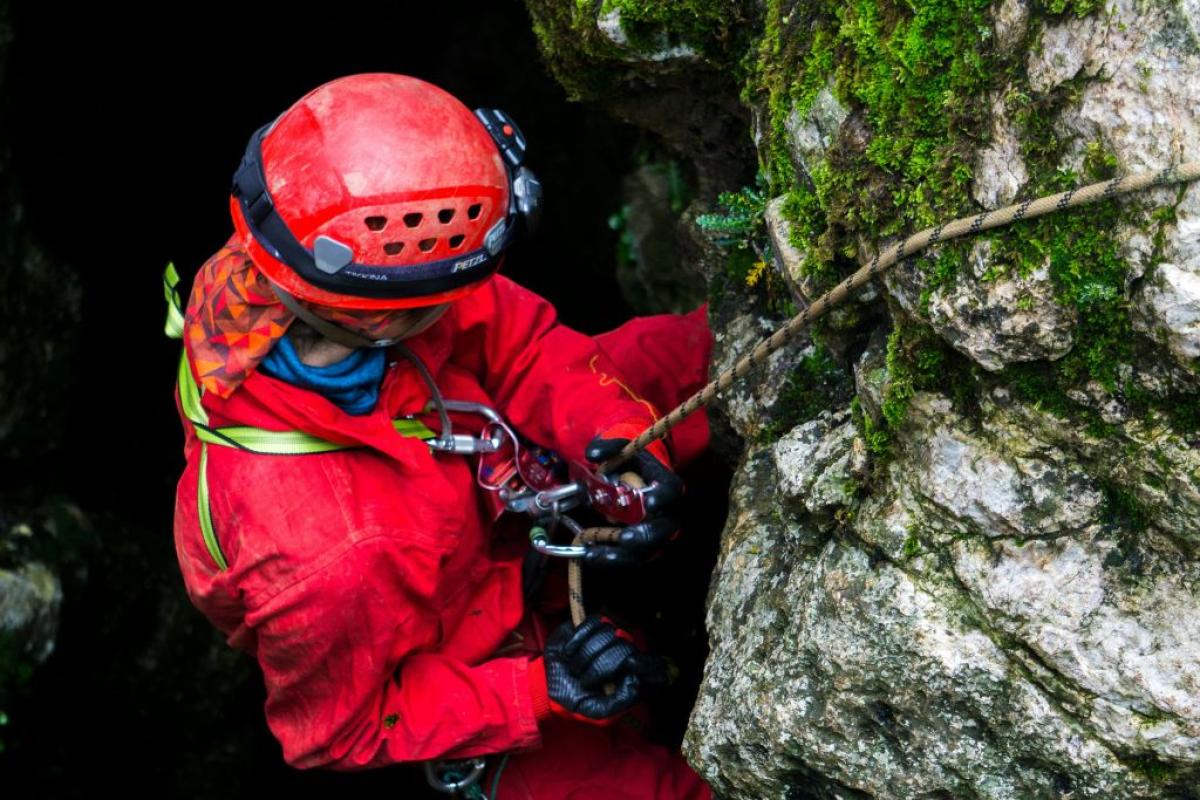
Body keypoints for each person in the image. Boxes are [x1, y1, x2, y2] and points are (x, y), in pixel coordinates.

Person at [168, 72, 714, 798]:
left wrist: (615, 440)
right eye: (449, 295)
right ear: (388, 316)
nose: (468, 300)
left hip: (494, 522)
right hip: (476, 662)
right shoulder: (327, 560)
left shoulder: (311, 265)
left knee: (685, 357)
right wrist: (541, 690)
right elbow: (339, 730)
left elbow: (518, 345)